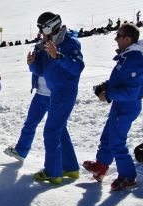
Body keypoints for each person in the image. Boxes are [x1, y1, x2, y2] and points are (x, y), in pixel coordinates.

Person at [83, 23, 143, 191]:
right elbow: (120, 81)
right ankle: (102, 166)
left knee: (117, 141)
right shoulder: (127, 56)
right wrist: (104, 86)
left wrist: (109, 95)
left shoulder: (135, 60)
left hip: (128, 106)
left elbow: (131, 92)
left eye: (118, 36)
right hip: (120, 104)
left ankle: (127, 176)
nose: (115, 38)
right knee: (107, 136)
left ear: (127, 39)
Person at [29, 12, 84, 184]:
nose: (40, 33)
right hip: (55, 92)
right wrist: (32, 64)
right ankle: (71, 168)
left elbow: (77, 67)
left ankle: (53, 173)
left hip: (64, 92)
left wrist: (58, 56)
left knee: (51, 131)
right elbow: (43, 71)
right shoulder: (48, 43)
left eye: (42, 28)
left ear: (50, 26)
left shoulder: (69, 42)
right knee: (60, 130)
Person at [4, 34, 52, 163]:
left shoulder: (59, 46)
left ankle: (62, 162)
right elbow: (38, 70)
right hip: (40, 94)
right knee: (30, 123)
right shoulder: (39, 47)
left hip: (56, 95)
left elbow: (53, 69)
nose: (43, 34)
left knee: (58, 129)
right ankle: (21, 151)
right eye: (42, 31)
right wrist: (31, 63)